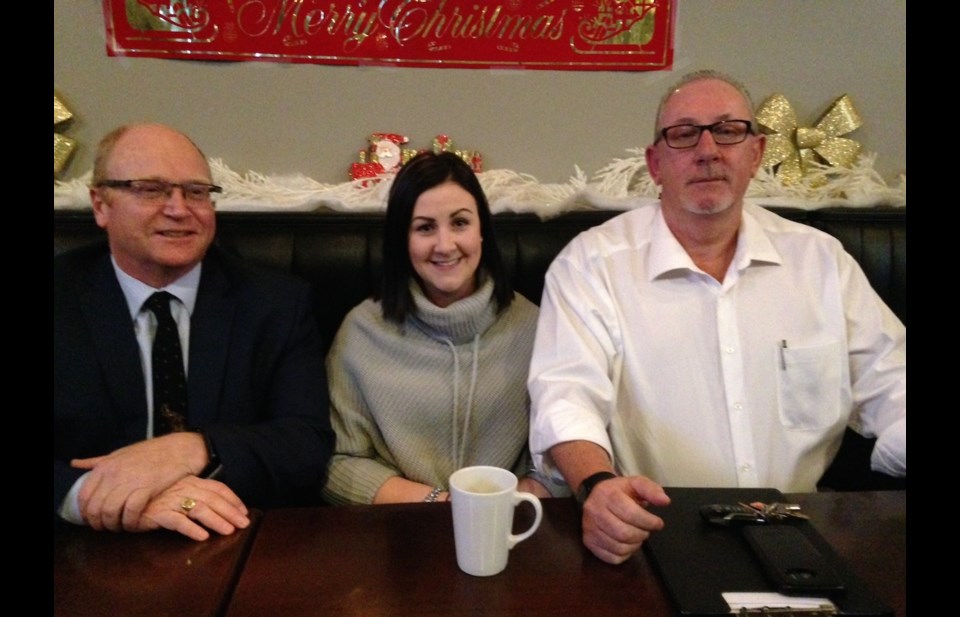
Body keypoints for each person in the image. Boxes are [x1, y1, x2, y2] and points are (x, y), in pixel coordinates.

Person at [527, 70, 906, 564]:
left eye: (728, 130)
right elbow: (565, 394)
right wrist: (598, 486)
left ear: (756, 153)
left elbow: (893, 382)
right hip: (652, 535)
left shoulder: (822, 263)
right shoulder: (591, 264)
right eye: (684, 134)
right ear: (655, 163)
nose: (707, 149)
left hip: (802, 533)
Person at [54, 123, 335, 541]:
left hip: (235, 539)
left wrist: (193, 448)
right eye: (150, 190)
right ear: (101, 205)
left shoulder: (276, 303)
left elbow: (306, 442)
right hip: (85, 546)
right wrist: (93, 497)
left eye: (197, 192)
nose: (179, 208)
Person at [322, 151, 555, 505]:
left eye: (460, 223)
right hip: (398, 531)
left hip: (509, 528)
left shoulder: (535, 327)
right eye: (425, 227)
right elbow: (337, 464)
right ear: (402, 240)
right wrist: (441, 504)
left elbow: (557, 458)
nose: (445, 245)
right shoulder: (360, 331)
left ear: (482, 232)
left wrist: (494, 510)